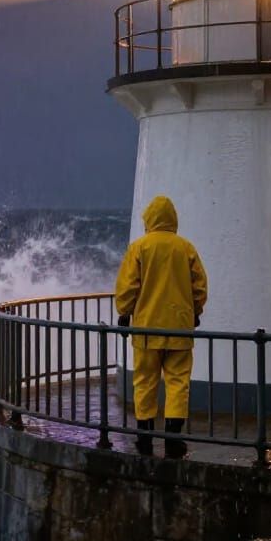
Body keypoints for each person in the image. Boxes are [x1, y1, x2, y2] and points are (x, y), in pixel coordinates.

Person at [115, 195, 207, 458]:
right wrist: (195, 312)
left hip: (146, 330)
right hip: (179, 328)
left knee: (144, 381)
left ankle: (144, 436)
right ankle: (173, 438)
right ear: (173, 219)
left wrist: (125, 313)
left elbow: (128, 286)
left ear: (149, 220)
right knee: (178, 382)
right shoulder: (185, 248)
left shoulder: (139, 248)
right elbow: (199, 287)